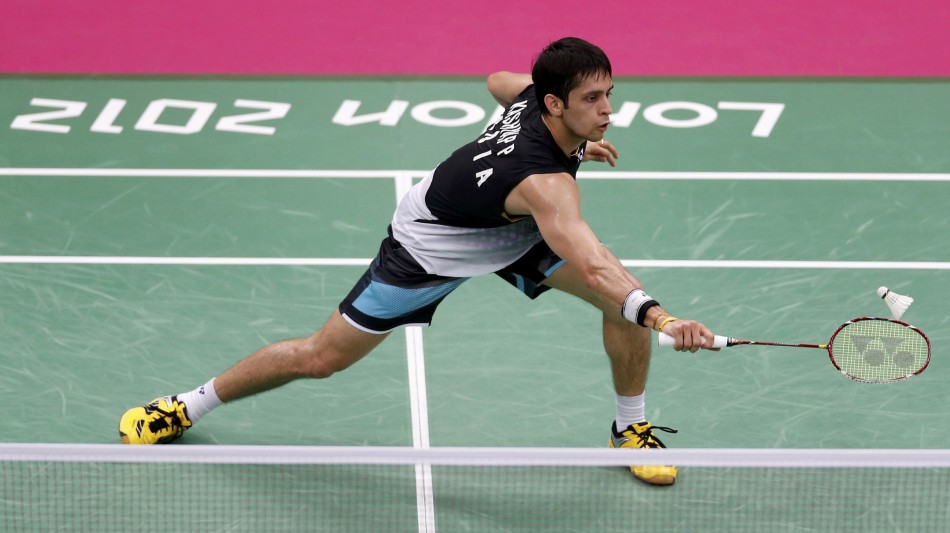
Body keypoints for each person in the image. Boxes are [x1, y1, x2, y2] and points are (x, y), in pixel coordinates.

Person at [118, 37, 717, 486]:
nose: (608, 108)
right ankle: (187, 405)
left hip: (510, 228)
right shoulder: (545, 183)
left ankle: (627, 430)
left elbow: (496, 80)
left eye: (610, 92)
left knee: (621, 302)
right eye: (593, 99)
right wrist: (663, 319)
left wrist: (578, 139)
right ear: (556, 103)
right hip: (432, 244)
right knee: (320, 358)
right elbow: (589, 261)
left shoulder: (537, 99)